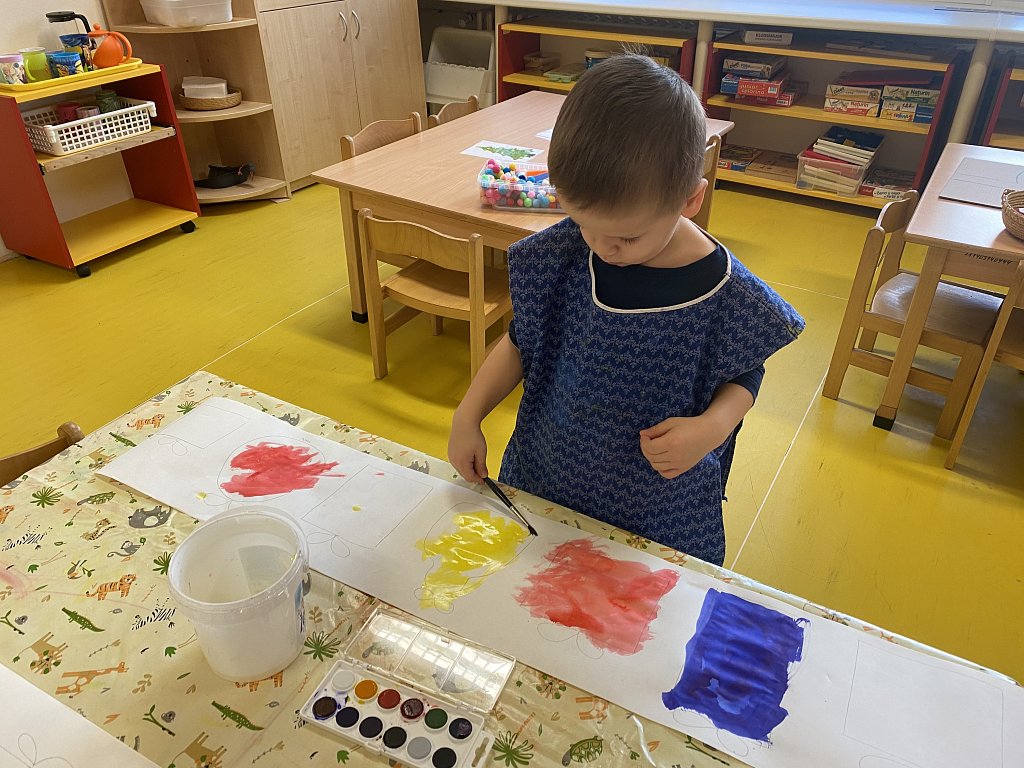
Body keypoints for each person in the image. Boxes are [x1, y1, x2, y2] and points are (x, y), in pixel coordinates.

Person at [448, 54, 805, 566]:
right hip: (550, 474)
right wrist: (468, 415)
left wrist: (711, 428)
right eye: (583, 223)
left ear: (690, 200)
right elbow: (522, 340)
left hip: (658, 506)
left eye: (627, 236)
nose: (600, 246)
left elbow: (745, 373)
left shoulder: (726, 291)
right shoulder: (563, 255)